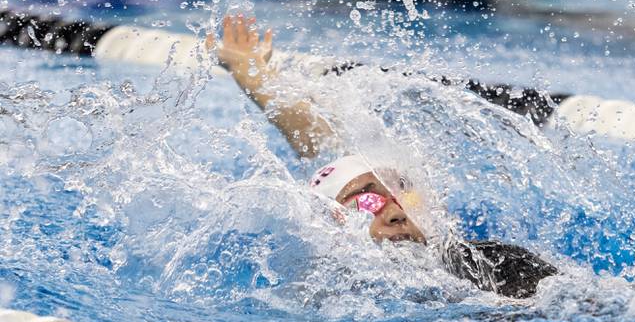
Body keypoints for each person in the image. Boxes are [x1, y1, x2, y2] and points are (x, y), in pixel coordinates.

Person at [205, 15, 557, 299]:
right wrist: (250, 72)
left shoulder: (495, 266)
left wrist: (255, 75)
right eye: (364, 198)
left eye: (403, 189)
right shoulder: (322, 294)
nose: (394, 212)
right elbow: (319, 142)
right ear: (331, 225)